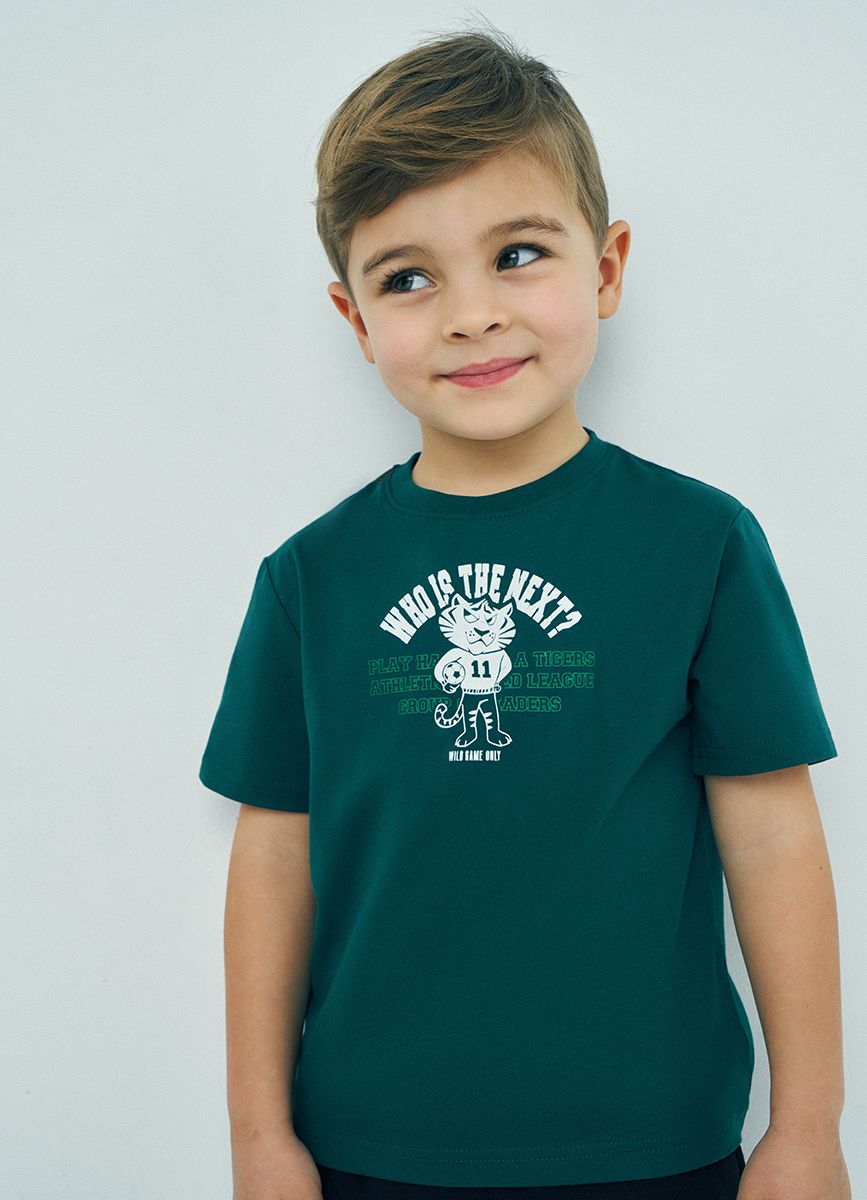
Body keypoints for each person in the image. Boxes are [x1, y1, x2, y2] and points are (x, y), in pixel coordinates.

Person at [198, 20, 850, 1200]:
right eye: (408, 277)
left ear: (605, 268)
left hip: (656, 1148)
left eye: (517, 254)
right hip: (367, 1151)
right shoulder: (309, 578)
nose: (469, 313)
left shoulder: (702, 545)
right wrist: (259, 1138)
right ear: (356, 321)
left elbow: (771, 835)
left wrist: (807, 1130)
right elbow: (275, 855)